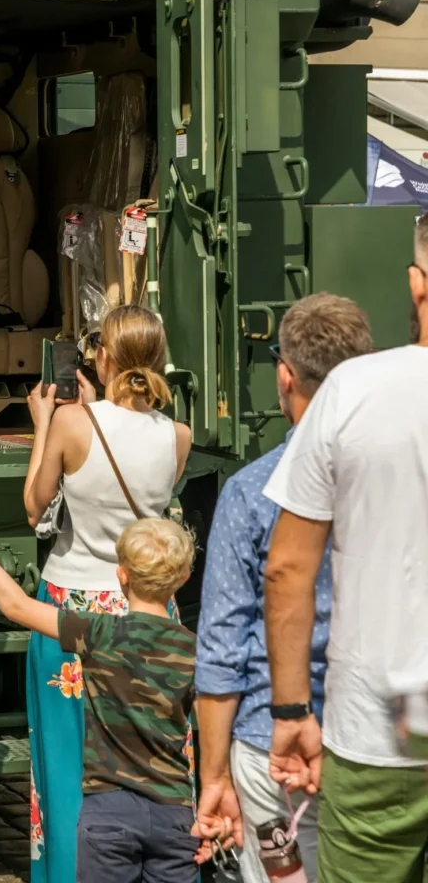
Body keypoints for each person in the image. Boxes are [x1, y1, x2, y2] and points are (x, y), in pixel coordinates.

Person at [263, 211, 428, 883]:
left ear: (418, 285)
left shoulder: (355, 390)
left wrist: (292, 710)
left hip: (379, 727)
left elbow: (288, 568)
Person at [194, 293, 372, 881]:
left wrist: (214, 776)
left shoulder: (251, 492)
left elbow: (223, 647)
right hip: (374, 735)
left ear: (285, 376)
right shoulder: (401, 475)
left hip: (272, 749)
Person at [0, 512, 213, 882]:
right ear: (183, 579)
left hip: (107, 812)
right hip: (174, 813)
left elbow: (15, 606)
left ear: (121, 576)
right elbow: (215, 730)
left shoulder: (97, 632)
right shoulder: (195, 651)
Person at [23, 305, 193, 883]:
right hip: (146, 610)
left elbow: (35, 506)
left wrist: (45, 419)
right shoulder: (179, 436)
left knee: (70, 764)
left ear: (103, 355)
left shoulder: (74, 422)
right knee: (146, 756)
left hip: (72, 607)